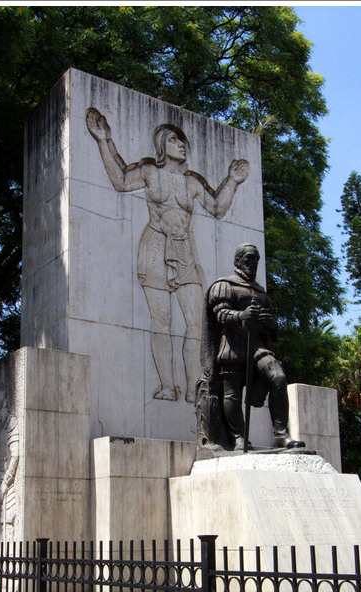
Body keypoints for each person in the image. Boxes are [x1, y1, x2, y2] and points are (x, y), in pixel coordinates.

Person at [86, 108, 250, 402]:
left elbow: (217, 208)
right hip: (154, 245)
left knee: (197, 323)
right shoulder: (150, 172)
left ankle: (193, 387)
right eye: (175, 140)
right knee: (160, 319)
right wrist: (103, 141)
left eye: (183, 141)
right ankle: (166, 385)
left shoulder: (193, 182)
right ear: (163, 147)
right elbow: (121, 181)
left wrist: (233, 182)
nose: (182, 145)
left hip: (184, 249)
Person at [197, 242, 305, 452]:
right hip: (233, 347)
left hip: (256, 346)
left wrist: (270, 323)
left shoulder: (261, 292)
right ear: (237, 261)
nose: (253, 264)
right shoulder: (224, 285)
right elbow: (221, 316)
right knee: (233, 395)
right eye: (248, 259)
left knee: (278, 377)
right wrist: (242, 315)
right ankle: (238, 437)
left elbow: (274, 331)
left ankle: (281, 435)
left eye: (256, 260)